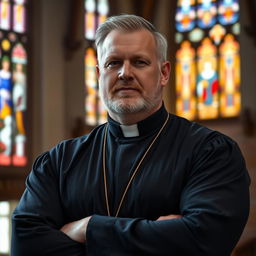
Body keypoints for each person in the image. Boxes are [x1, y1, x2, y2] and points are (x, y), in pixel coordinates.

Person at [11, 14, 250, 256]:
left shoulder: (211, 152)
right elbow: (26, 245)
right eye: (113, 63)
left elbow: (204, 241)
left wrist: (88, 228)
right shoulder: (59, 162)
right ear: (98, 74)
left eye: (140, 62)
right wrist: (159, 237)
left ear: (164, 73)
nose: (125, 73)